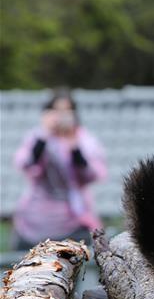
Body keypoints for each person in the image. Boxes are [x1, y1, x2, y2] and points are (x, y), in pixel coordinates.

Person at [12, 89, 107, 250]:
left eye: (66, 111)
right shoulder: (38, 137)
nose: (61, 116)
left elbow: (93, 173)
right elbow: (27, 164)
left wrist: (74, 147)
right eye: (57, 110)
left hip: (75, 219)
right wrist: (45, 135)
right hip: (36, 220)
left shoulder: (85, 140)